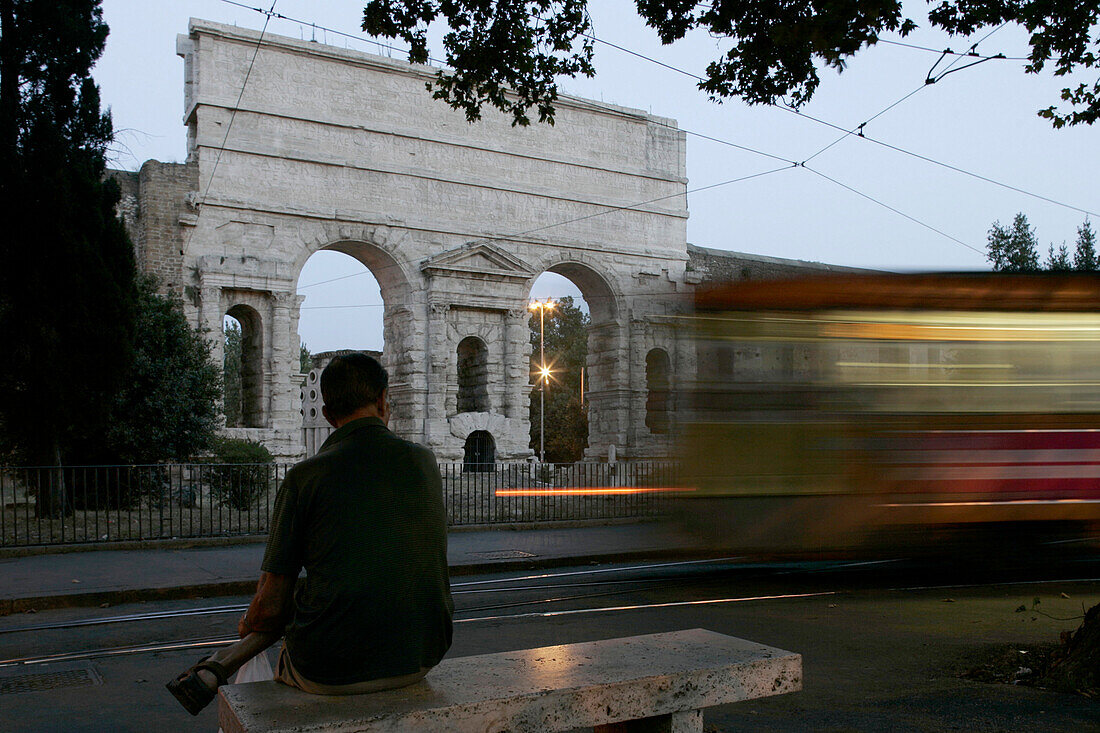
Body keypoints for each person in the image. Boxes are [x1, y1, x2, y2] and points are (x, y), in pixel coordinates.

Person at [168, 353, 453, 712]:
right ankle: (218, 664)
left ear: (328, 414)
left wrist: (247, 623)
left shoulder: (306, 477)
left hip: (329, 671)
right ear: (383, 400)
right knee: (323, 587)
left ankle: (219, 664)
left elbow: (271, 608)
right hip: (423, 656)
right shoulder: (425, 462)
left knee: (290, 600)